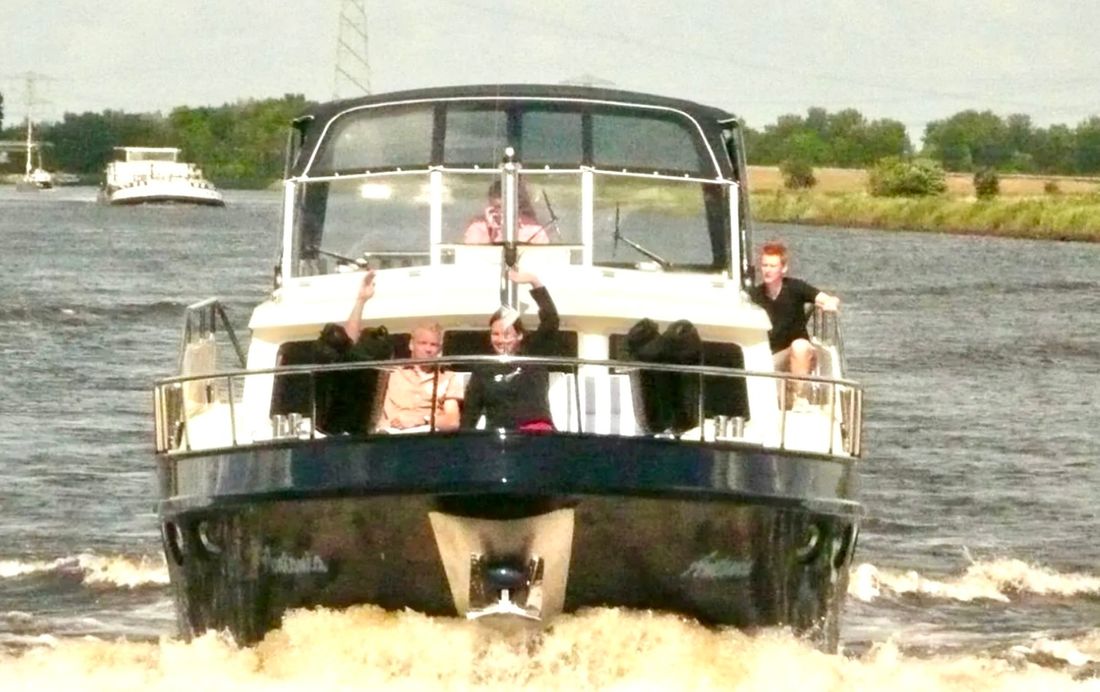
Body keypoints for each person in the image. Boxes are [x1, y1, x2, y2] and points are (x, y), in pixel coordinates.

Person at [346, 270, 464, 432]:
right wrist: (361, 301)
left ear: (440, 349)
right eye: (423, 343)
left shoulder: (449, 378)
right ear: (411, 345)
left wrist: (421, 420)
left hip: (428, 438)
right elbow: (349, 347)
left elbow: (452, 422)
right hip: (390, 438)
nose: (428, 349)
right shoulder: (389, 372)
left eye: (433, 345)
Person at [460, 268, 559, 431]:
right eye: (495, 334)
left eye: (507, 334)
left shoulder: (533, 354)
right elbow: (470, 414)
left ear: (519, 335)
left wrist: (534, 281)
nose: (501, 340)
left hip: (536, 437)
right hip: (498, 438)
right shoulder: (483, 369)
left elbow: (551, 320)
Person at [748, 241, 840, 402]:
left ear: (783, 268)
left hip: (797, 352)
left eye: (772, 266)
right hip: (769, 354)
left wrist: (830, 304)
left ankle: (800, 397)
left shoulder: (796, 287)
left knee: (800, 346)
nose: (767, 270)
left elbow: (828, 299)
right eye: (764, 265)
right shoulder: (754, 295)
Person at [463, 180, 551, 244]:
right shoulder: (478, 227)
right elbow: (472, 256)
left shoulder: (534, 229)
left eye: (508, 207)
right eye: (498, 207)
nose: (503, 212)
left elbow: (544, 258)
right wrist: (493, 232)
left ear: (517, 205)